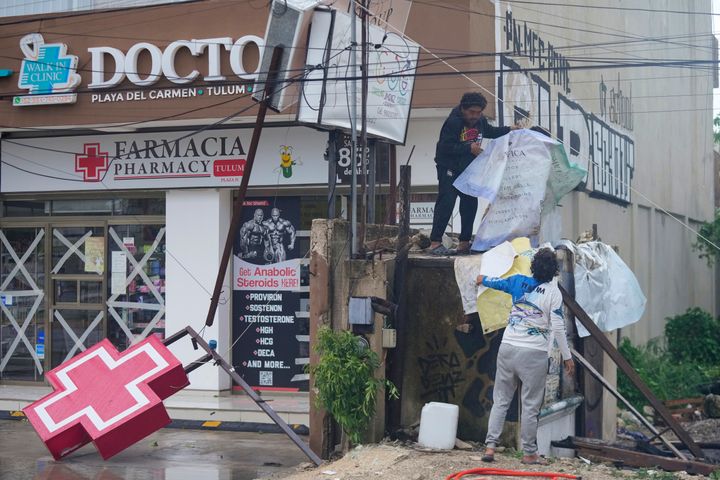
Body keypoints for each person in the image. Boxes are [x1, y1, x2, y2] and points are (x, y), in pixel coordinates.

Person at [475, 248, 575, 465]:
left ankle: (490, 447)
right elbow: (558, 327)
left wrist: (482, 279)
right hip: (534, 354)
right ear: (554, 271)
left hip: (508, 348)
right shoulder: (553, 293)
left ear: (533, 267)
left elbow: (496, 282)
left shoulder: (518, 281)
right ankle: (529, 453)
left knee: (500, 401)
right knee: (530, 406)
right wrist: (567, 357)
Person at [429, 92, 519, 255]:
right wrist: (469, 148)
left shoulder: (480, 120)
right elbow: (444, 147)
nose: (474, 116)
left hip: (468, 169)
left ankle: (464, 242)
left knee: (470, 203)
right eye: (471, 112)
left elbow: (490, 131)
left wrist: (510, 129)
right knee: (447, 202)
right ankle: (435, 242)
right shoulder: (453, 122)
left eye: (478, 113)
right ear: (463, 108)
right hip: (448, 167)